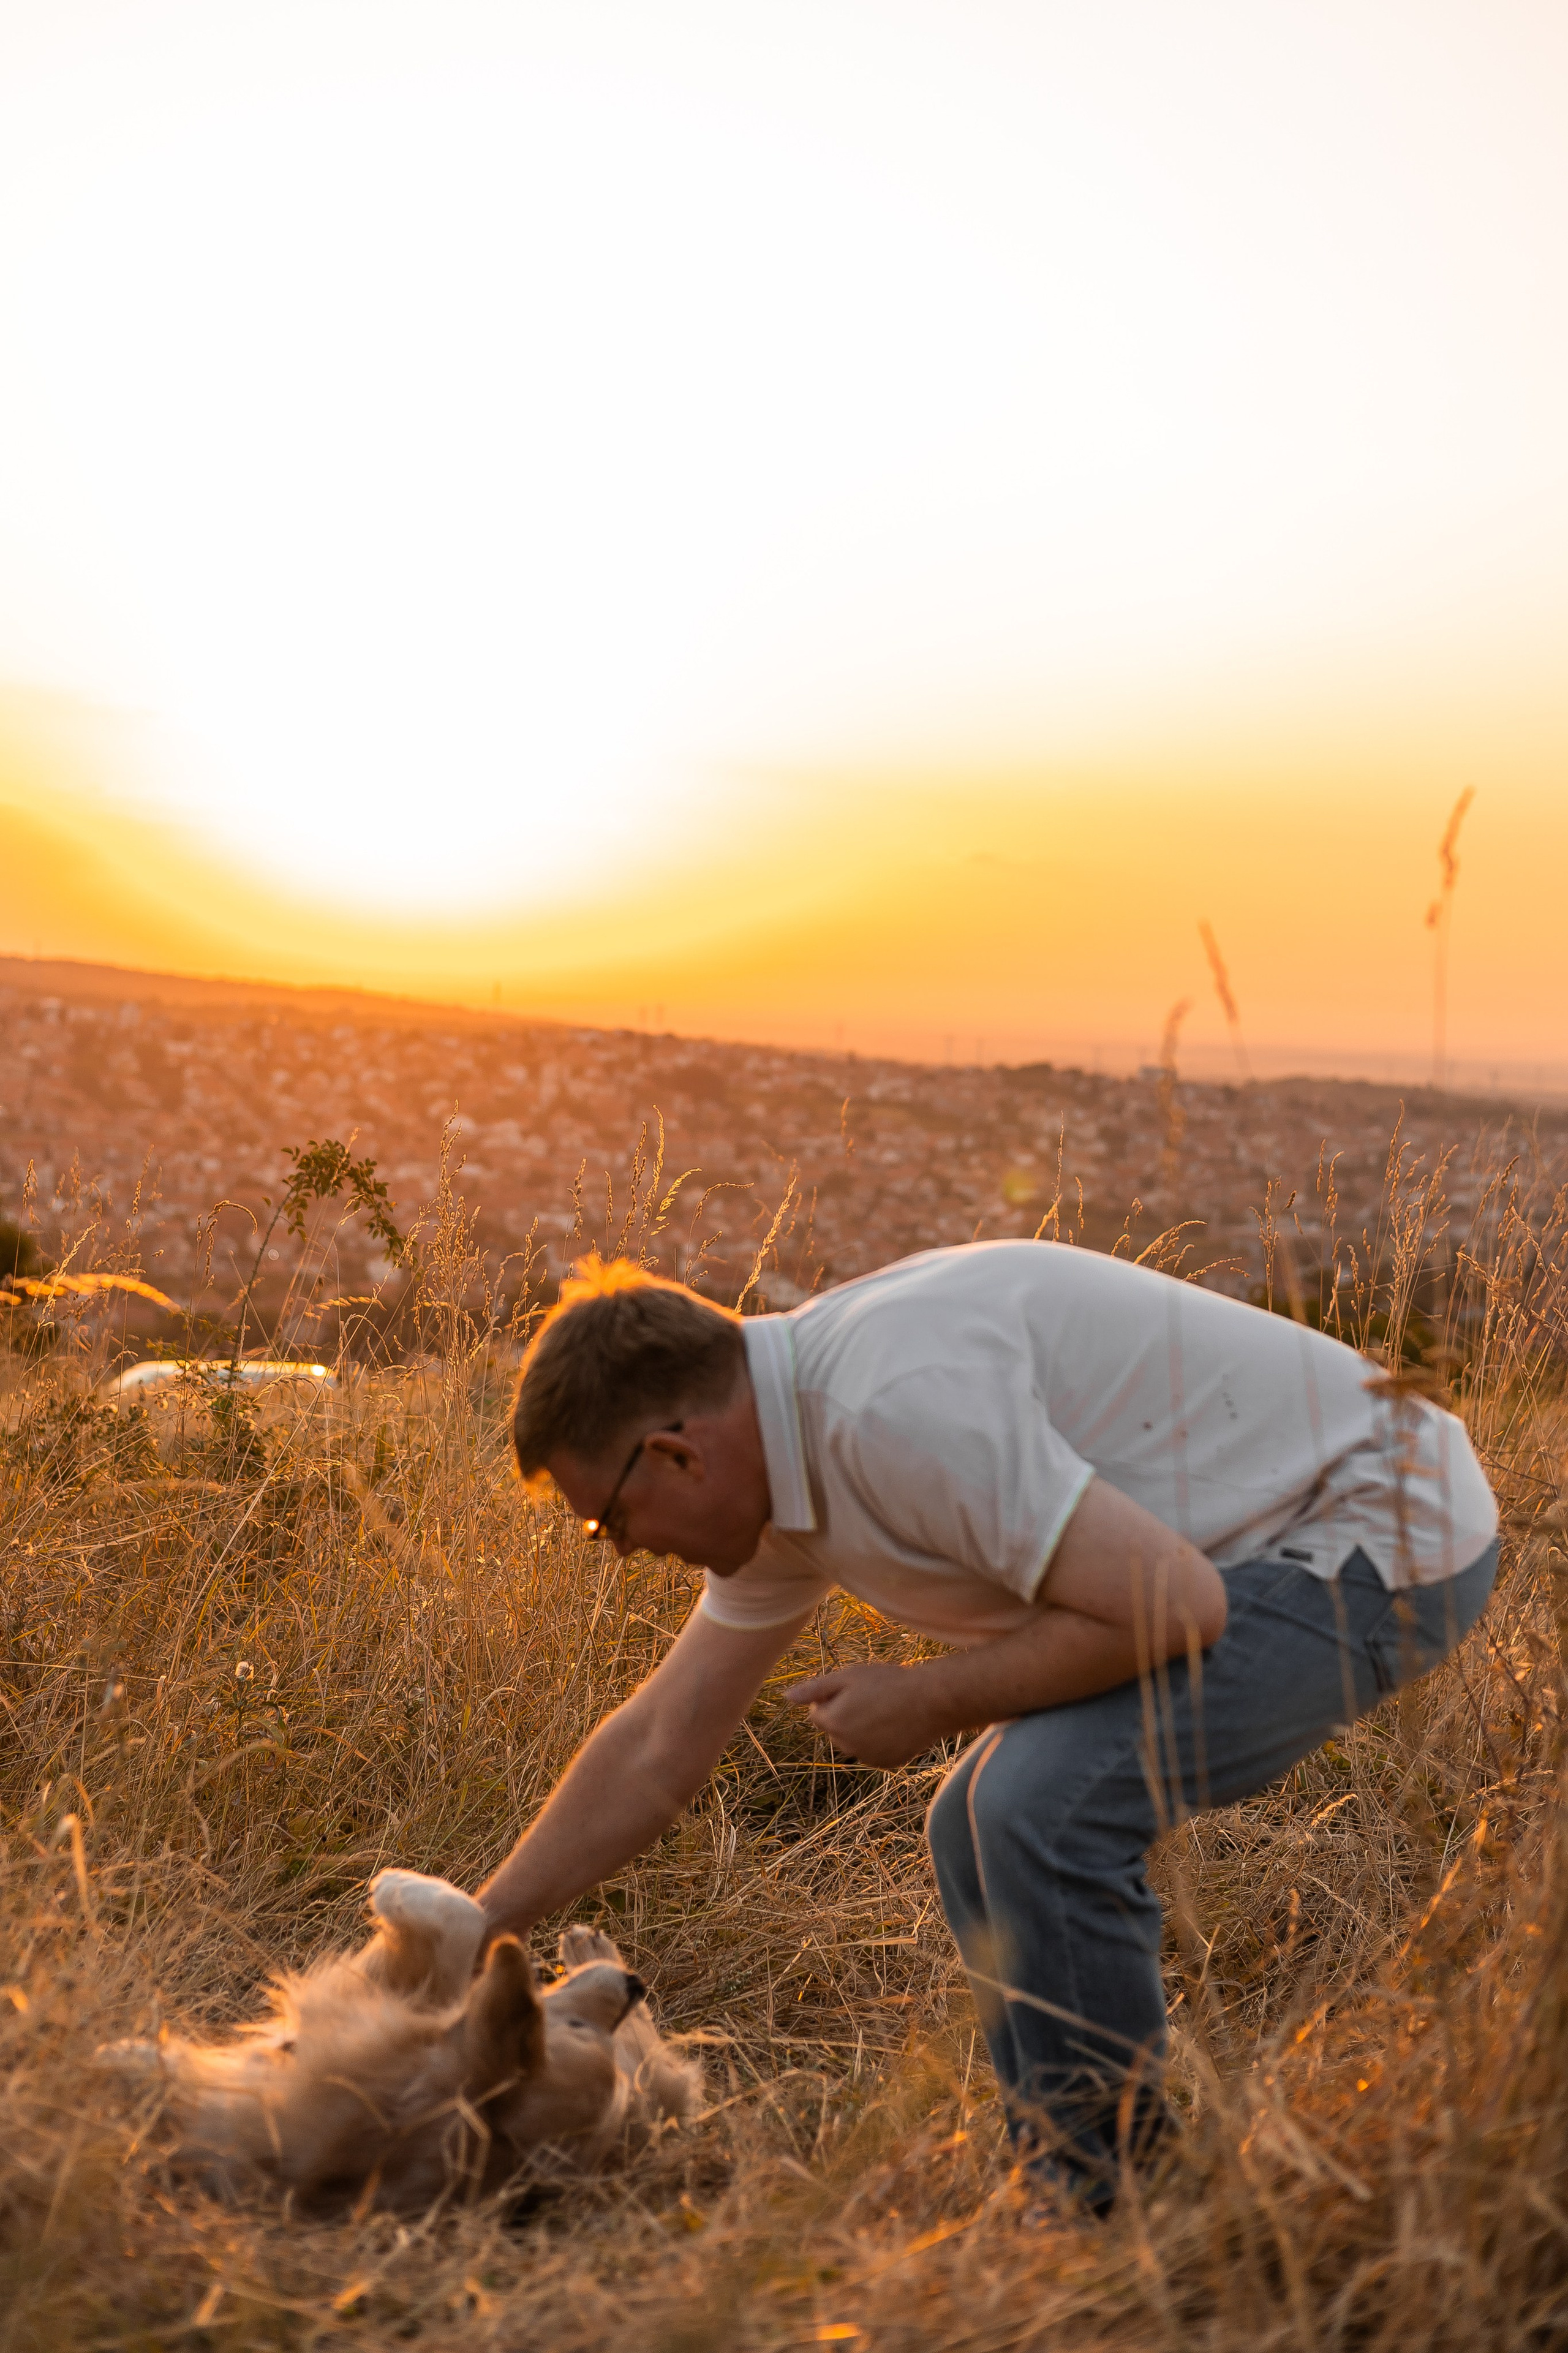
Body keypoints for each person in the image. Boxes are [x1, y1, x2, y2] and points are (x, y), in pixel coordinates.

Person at [476, 1243, 1498, 2210]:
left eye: (607, 1521)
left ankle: (1108, 2206)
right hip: (1246, 1549)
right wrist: (483, 1934)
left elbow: (1177, 1605)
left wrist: (928, 1699)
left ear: (676, 1454)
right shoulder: (780, 1466)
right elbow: (660, 1743)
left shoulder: (888, 1408)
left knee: (1032, 1807)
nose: (620, 1550)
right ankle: (1069, 2171)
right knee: (970, 1816)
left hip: (1378, 1528)